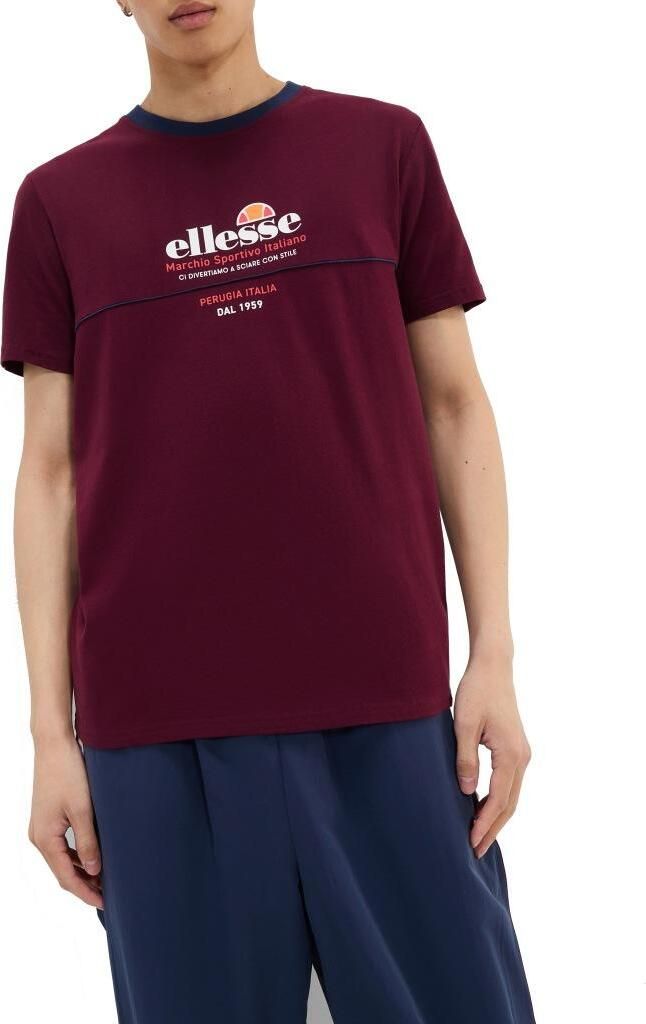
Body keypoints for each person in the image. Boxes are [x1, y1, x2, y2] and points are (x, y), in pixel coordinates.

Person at [1, 1, 535, 1021]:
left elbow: (455, 405)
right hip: (153, 726)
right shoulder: (59, 201)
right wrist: (47, 736)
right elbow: (49, 473)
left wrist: (493, 657)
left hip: (384, 694)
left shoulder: (381, 147)